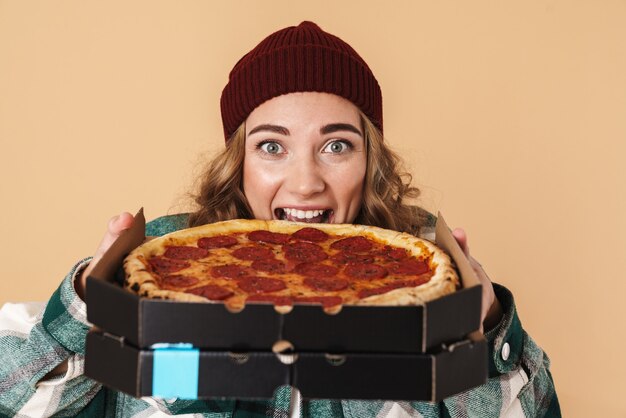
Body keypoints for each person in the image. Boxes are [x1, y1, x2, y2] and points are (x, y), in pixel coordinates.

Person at [0, 21, 560, 417]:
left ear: (371, 161)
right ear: (236, 161)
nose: (305, 182)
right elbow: (14, 401)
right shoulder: (160, 275)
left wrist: (487, 338)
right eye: (272, 147)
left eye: (337, 146)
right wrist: (83, 308)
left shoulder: (426, 293)